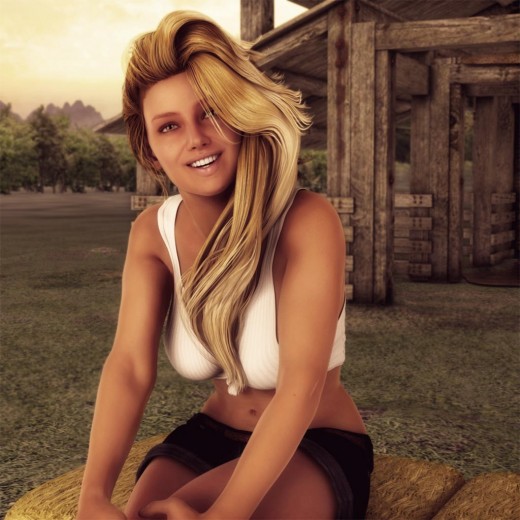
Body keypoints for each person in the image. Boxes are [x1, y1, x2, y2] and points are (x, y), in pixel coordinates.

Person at [77, 10, 373, 520]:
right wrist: (92, 497)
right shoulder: (153, 234)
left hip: (315, 437)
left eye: (210, 111)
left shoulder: (306, 221)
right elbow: (128, 367)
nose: (195, 138)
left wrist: (225, 514)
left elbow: (300, 386)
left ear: (239, 113)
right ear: (149, 149)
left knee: (185, 509)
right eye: (169, 126)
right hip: (210, 435)